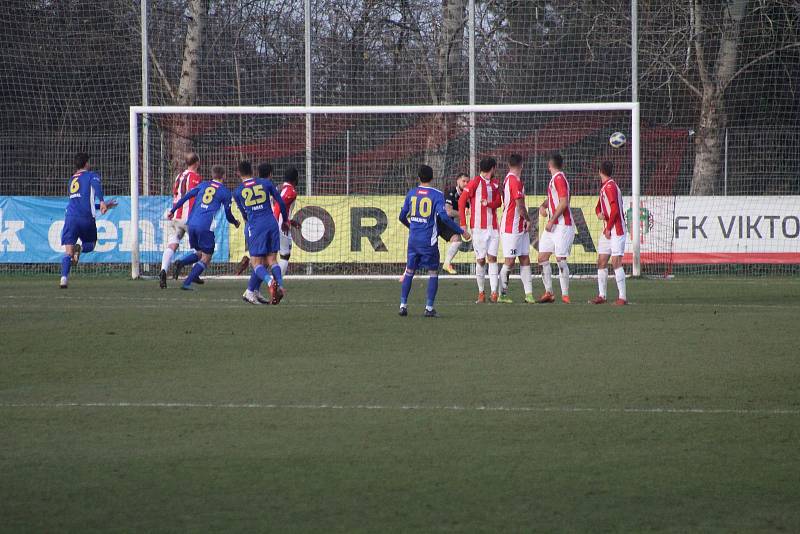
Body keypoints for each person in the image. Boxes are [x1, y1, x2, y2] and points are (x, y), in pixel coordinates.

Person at [398, 165, 468, 317]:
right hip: (428, 241)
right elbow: (444, 217)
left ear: (419, 177)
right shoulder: (436, 194)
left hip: (413, 240)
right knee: (433, 273)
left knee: (409, 271)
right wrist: (461, 230)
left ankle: (403, 305)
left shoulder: (412, 193)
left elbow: (401, 216)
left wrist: (411, 227)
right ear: (432, 177)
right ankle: (429, 308)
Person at [168, 165, 240, 290]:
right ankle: (187, 283)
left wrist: (173, 210)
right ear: (224, 176)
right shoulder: (225, 192)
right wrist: (235, 222)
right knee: (207, 257)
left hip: (191, 224)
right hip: (205, 226)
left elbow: (185, 197)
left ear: (212, 175)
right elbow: (228, 215)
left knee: (199, 253)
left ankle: (182, 263)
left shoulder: (203, 185)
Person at [232, 161, 289, 305]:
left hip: (256, 226)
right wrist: (286, 220)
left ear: (238, 173)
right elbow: (281, 203)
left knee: (256, 262)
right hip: (271, 223)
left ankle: (270, 282)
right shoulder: (265, 183)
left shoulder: (237, 192)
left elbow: (244, 214)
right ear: (252, 171)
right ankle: (279, 286)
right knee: (271, 260)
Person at [59, 152, 117, 288]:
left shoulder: (72, 179)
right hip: (85, 218)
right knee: (91, 244)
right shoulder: (92, 175)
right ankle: (80, 249)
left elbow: (81, 202)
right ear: (86, 163)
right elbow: (97, 187)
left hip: (70, 218)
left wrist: (100, 205)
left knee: (68, 252)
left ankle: (63, 279)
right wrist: (102, 202)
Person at [458, 157, 502, 303]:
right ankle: (481, 292)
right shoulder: (475, 181)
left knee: (493, 258)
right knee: (481, 260)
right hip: (478, 229)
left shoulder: (495, 183)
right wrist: (463, 223)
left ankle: (494, 293)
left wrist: (488, 203)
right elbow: (462, 200)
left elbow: (498, 202)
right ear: (492, 168)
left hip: (493, 228)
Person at [536, 153, 575, 304]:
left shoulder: (559, 178)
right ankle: (549, 293)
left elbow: (564, 202)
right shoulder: (556, 179)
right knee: (542, 257)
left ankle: (565, 295)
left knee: (560, 259)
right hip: (553, 227)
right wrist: (543, 205)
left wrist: (551, 220)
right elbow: (554, 198)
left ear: (549, 166)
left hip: (562, 226)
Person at [160, 152, 202, 288]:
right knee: (202, 249)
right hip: (188, 217)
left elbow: (176, 193)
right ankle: (192, 272)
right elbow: (195, 196)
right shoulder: (195, 177)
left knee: (172, 244)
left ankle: (163, 270)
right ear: (196, 163)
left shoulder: (179, 176)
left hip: (175, 216)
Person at [590, 160, 628, 305]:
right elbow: (598, 207)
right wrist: (599, 213)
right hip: (608, 229)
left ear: (600, 171)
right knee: (601, 261)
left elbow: (615, 210)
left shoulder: (610, 187)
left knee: (616, 262)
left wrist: (608, 227)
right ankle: (602, 295)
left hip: (616, 230)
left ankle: (623, 297)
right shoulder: (604, 187)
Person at [497, 154, 534, 303]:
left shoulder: (509, 179)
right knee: (510, 261)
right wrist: (528, 220)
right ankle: (502, 294)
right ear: (522, 165)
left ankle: (529, 294)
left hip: (519, 226)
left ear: (508, 164)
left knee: (525, 258)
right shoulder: (513, 180)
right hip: (510, 227)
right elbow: (520, 206)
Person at [233, 162, 274, 276]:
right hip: (267, 222)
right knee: (265, 259)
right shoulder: (268, 187)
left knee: (257, 256)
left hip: (251, 224)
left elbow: (244, 209)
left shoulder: (249, 187)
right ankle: (255, 287)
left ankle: (253, 287)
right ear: (271, 174)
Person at [440, 172, 469, 274]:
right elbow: (448, 212)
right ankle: (410, 268)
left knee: (457, 240)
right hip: (439, 222)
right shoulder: (451, 193)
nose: (466, 184)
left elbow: (462, 215)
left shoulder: (466, 196)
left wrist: (464, 228)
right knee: (425, 246)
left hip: (447, 223)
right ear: (457, 181)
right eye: (463, 181)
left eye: (467, 182)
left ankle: (446, 264)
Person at [274, 167, 300, 276]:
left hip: (271, 221)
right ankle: (277, 283)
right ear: (295, 179)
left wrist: (290, 221)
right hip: (279, 224)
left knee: (268, 255)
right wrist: (283, 222)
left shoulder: (278, 188)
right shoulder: (291, 192)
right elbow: (279, 207)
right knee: (285, 255)